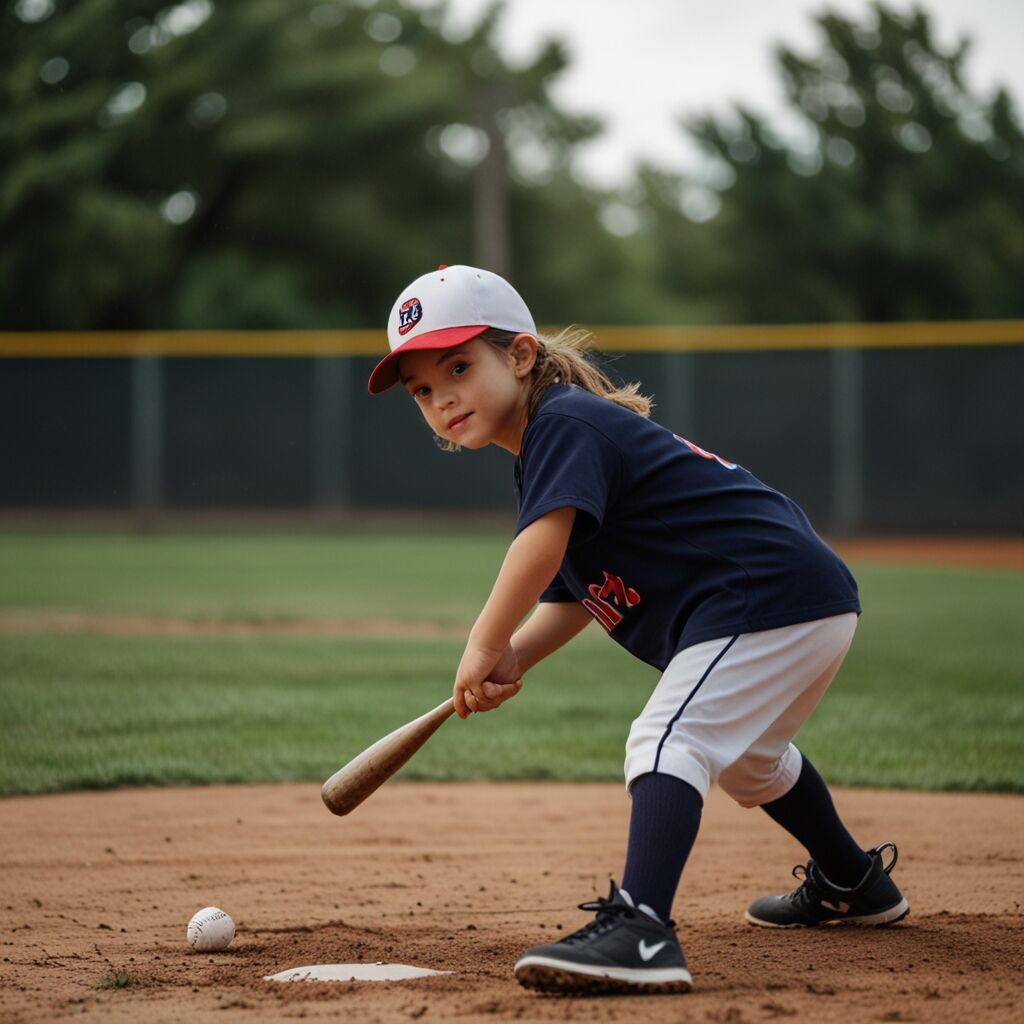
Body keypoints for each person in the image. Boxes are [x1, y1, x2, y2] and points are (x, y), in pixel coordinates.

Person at [368, 264, 909, 996]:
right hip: (792, 596)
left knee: (669, 739)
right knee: (750, 758)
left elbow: (540, 549)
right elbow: (571, 597)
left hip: (762, 592)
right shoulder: (550, 447)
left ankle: (643, 929)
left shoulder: (562, 421)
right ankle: (853, 879)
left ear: (520, 355)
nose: (443, 398)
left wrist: (483, 644)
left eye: (459, 366)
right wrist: (514, 659)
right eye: (424, 390)